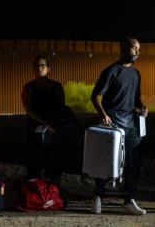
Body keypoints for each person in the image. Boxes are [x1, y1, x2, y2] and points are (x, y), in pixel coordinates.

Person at [90, 37, 148, 215]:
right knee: (107, 162)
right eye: (134, 48)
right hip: (113, 123)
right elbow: (95, 96)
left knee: (134, 163)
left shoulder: (136, 74)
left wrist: (141, 109)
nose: (138, 52)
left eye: (139, 48)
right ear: (123, 48)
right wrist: (104, 116)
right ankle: (97, 197)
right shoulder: (111, 71)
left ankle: (129, 200)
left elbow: (136, 100)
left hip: (131, 125)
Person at [21, 56, 77, 186]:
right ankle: (34, 191)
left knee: (54, 157)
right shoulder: (29, 87)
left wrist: (53, 124)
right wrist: (44, 122)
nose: (40, 68)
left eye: (43, 65)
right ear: (33, 69)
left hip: (54, 127)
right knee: (35, 158)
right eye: (37, 66)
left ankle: (54, 191)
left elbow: (61, 106)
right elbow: (29, 109)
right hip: (35, 127)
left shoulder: (56, 86)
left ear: (48, 68)